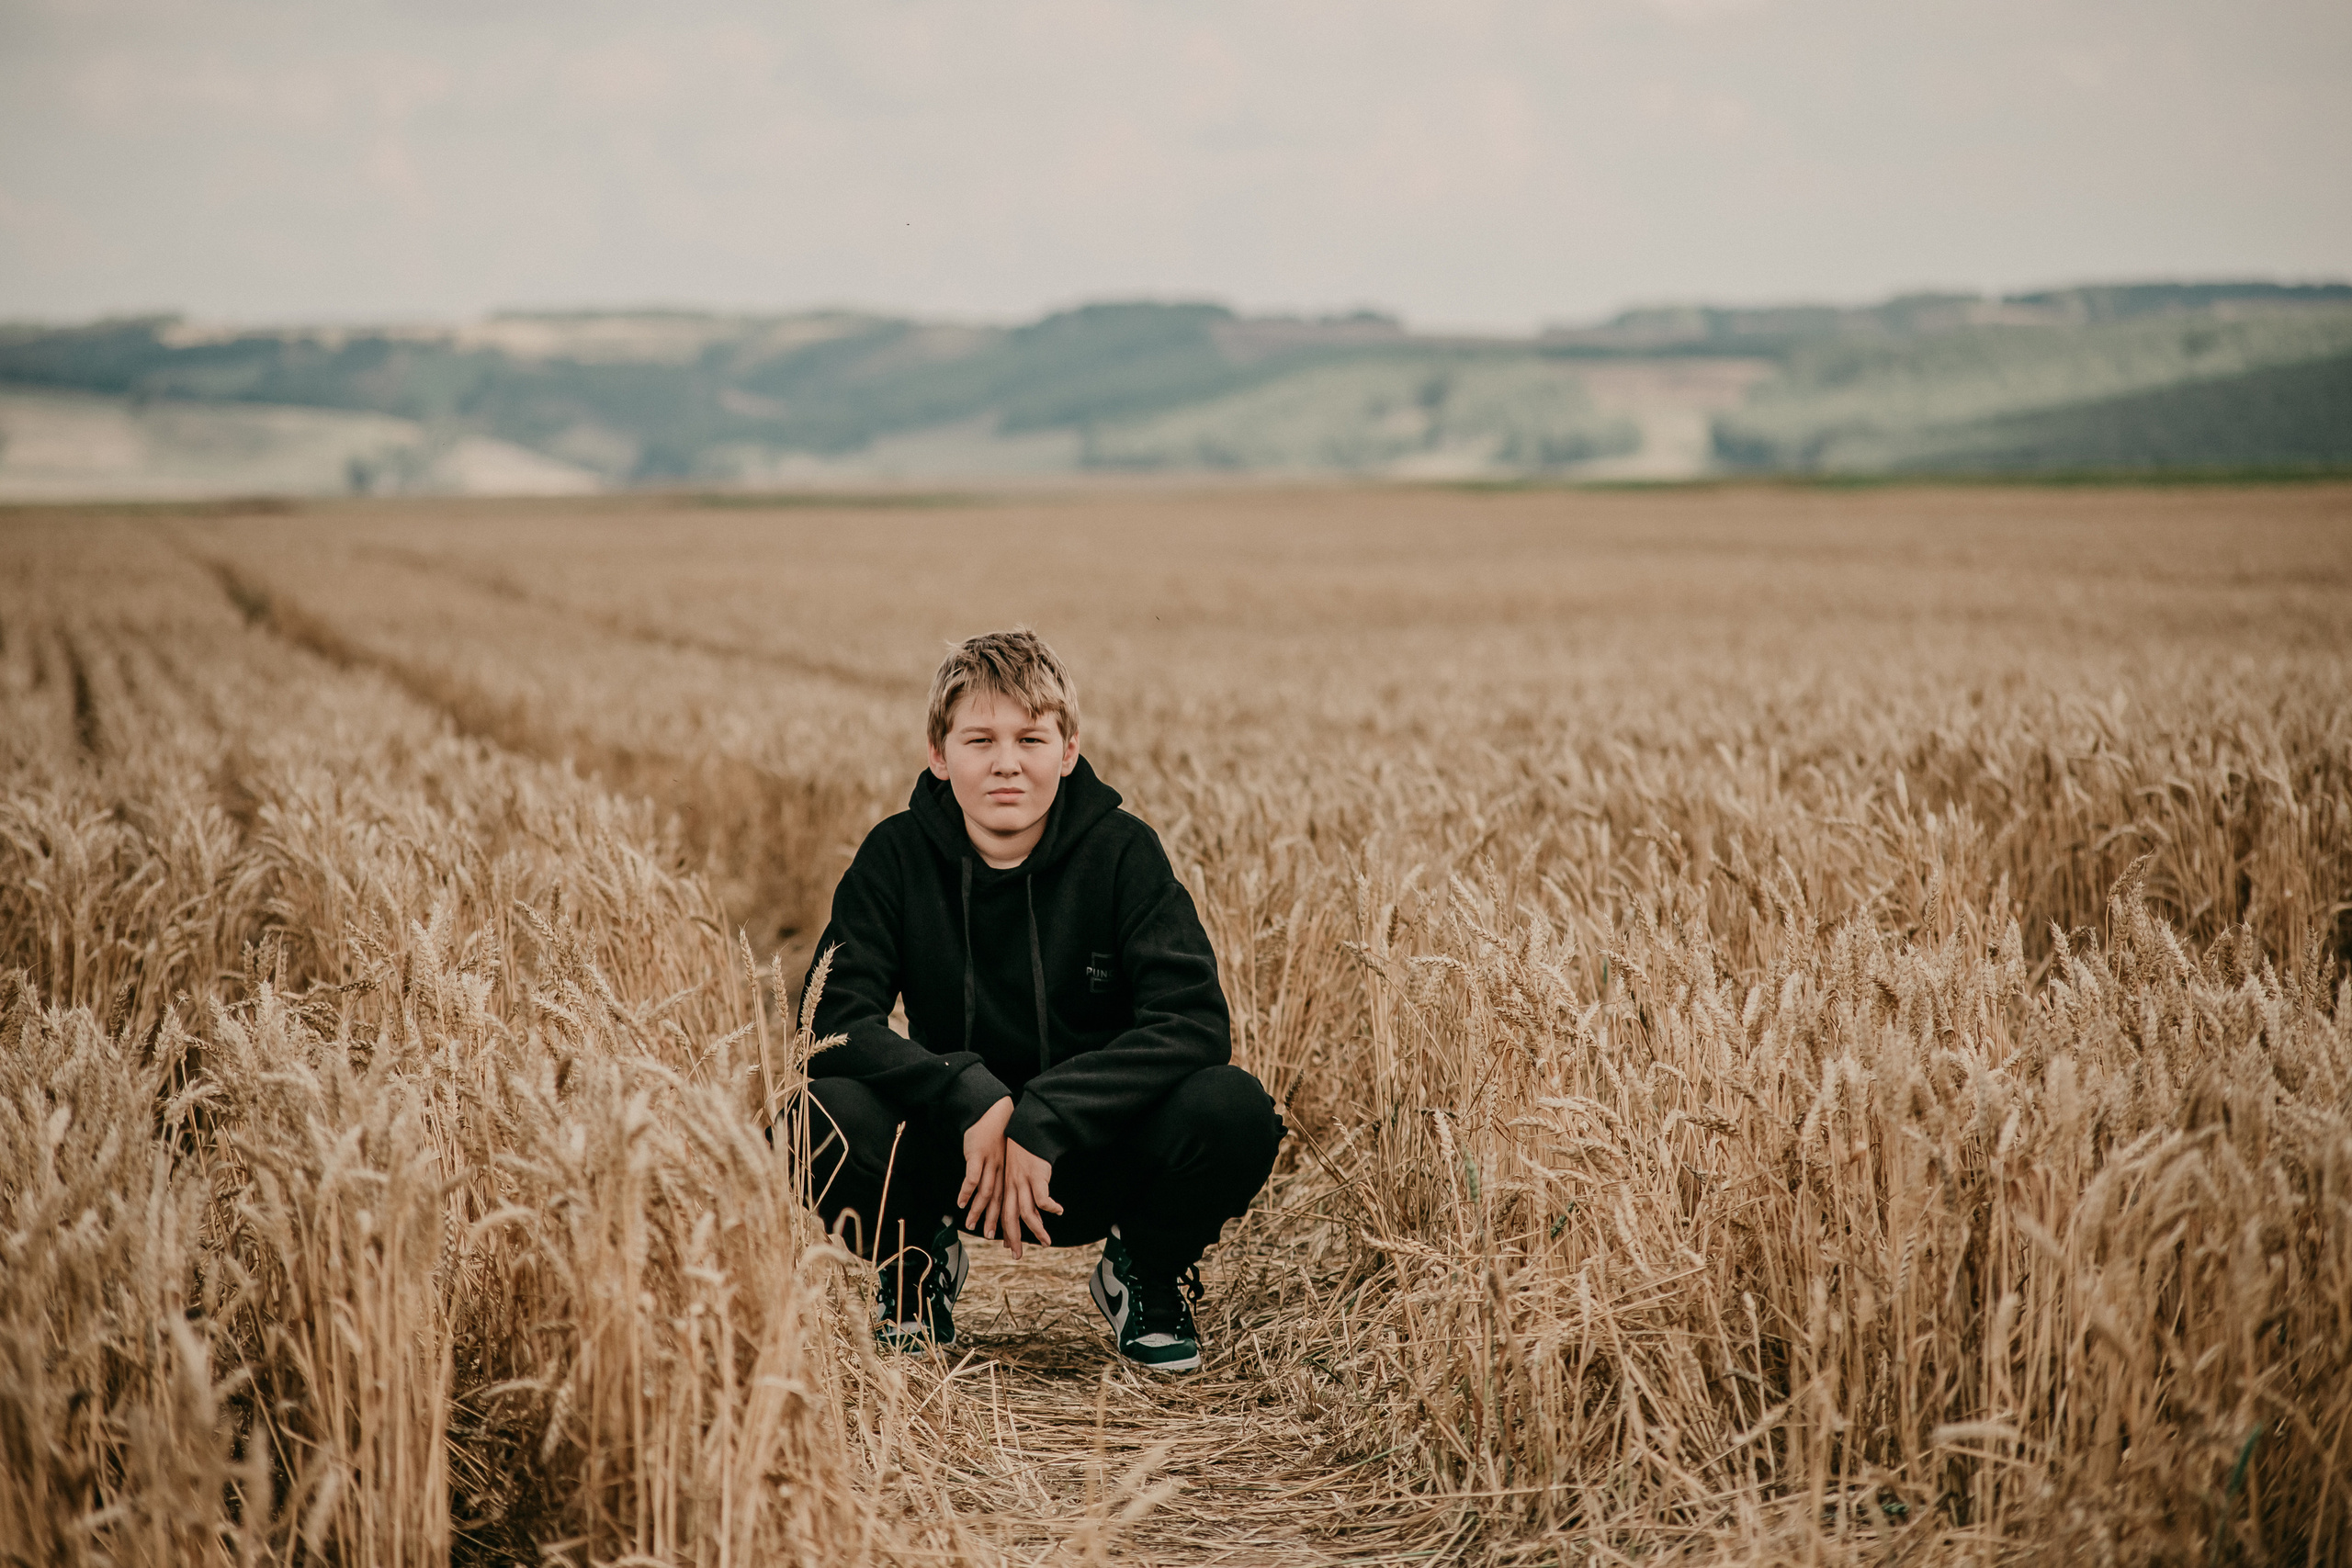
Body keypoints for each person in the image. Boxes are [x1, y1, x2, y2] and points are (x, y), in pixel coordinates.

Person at [790, 628, 1283, 1374]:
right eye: (979, 739)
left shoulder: (1124, 854)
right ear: (938, 752)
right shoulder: (893, 857)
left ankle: (1143, 1272)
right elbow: (830, 1022)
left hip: (1093, 1154)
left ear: (1068, 749)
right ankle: (916, 1267)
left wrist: (1047, 1113)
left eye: (1030, 737)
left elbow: (1193, 1021)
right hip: (957, 1163)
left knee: (1235, 1109)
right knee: (814, 1114)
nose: (1006, 762)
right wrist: (967, 1094)